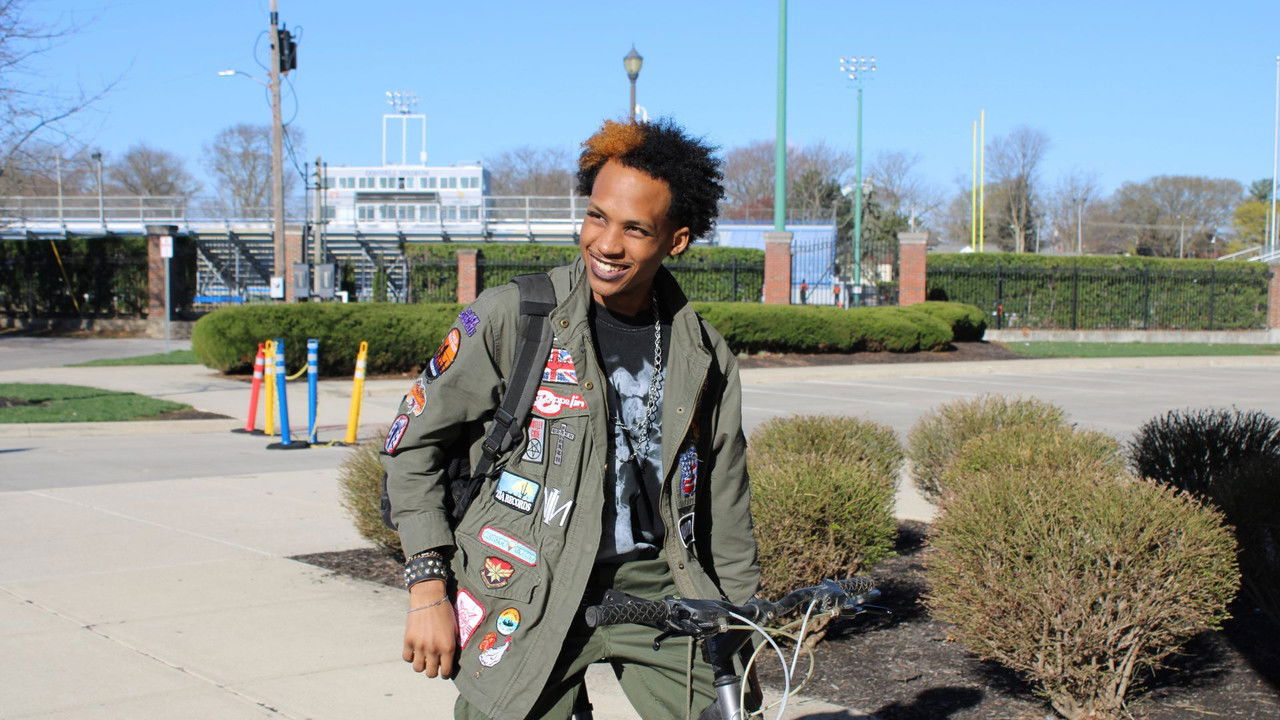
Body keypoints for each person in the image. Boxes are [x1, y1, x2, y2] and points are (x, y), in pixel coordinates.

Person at [382, 118, 760, 720]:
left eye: (635, 230)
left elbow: (725, 496)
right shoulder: (514, 318)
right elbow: (411, 446)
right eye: (597, 216)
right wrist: (428, 586)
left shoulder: (703, 354)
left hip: (657, 587)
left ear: (676, 240)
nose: (607, 244)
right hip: (528, 583)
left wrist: (737, 625)